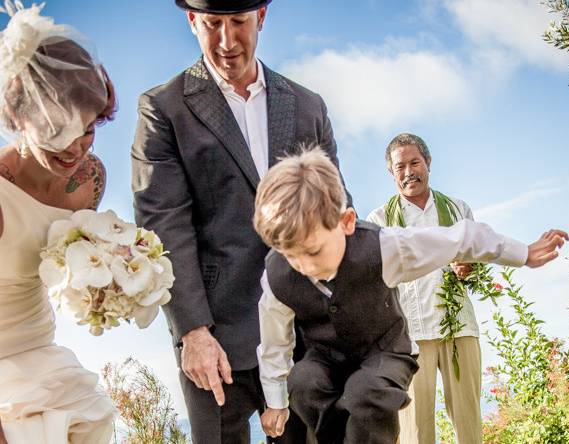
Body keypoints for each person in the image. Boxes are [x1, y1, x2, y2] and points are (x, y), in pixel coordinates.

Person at [131, 1, 349, 442]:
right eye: (212, 25)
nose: (227, 42)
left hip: (306, 330)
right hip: (216, 335)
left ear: (262, 17)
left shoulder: (308, 106)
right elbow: (163, 223)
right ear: (192, 21)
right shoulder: (163, 108)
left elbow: (336, 206)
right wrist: (193, 330)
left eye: (238, 23)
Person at [254, 148, 569, 444]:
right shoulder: (277, 275)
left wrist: (523, 252)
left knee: (366, 391)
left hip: (384, 351)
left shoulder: (386, 247)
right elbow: (274, 345)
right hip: (325, 357)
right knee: (303, 383)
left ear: (346, 222)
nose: (304, 267)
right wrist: (276, 403)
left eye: (313, 251)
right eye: (291, 256)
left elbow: (462, 238)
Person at [0, 2, 117, 443]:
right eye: (56, 131)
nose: (75, 149)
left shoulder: (90, 179)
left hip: (45, 357)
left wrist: (108, 284)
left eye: (88, 128)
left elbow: (68, 255)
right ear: (18, 119)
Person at [367, 133, 483, 444]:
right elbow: (373, 282)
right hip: (409, 336)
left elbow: (478, 263)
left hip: (459, 327)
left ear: (428, 162)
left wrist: (469, 268)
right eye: (400, 166)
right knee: (415, 432)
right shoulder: (378, 220)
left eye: (414, 162)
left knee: (469, 422)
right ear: (391, 172)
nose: (408, 172)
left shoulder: (459, 210)